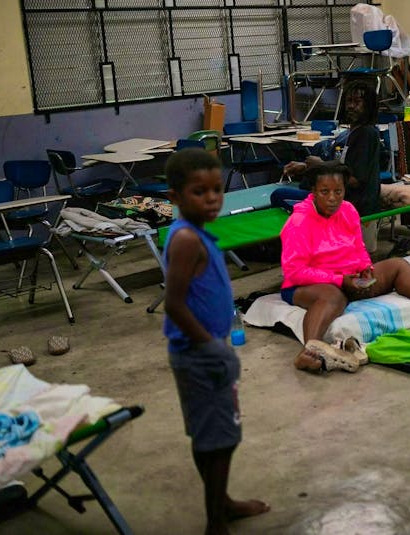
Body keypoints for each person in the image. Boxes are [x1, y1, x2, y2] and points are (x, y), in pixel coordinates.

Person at [163, 148, 269, 535]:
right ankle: (216, 520)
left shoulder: (196, 234)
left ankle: (220, 501)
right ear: (174, 198)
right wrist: (211, 347)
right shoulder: (187, 240)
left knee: (210, 435)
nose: (211, 199)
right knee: (220, 439)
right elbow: (173, 304)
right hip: (200, 355)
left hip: (201, 351)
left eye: (215, 190)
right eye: (198, 192)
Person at [280, 161, 410, 374]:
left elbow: (358, 247)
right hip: (306, 285)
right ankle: (310, 351)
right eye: (325, 192)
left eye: (338, 191)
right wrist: (339, 280)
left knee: (397, 265)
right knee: (333, 296)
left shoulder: (348, 210)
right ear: (313, 191)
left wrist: (365, 267)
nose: (333, 198)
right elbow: (294, 272)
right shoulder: (299, 221)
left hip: (347, 278)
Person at [273, 80, 382, 251]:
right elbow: (342, 165)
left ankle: (305, 243)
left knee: (279, 196)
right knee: (302, 186)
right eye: (349, 101)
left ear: (368, 106)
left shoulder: (366, 134)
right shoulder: (353, 133)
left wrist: (320, 166)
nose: (351, 106)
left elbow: (355, 180)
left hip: (354, 204)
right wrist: (305, 166)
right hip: (343, 197)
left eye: (357, 102)